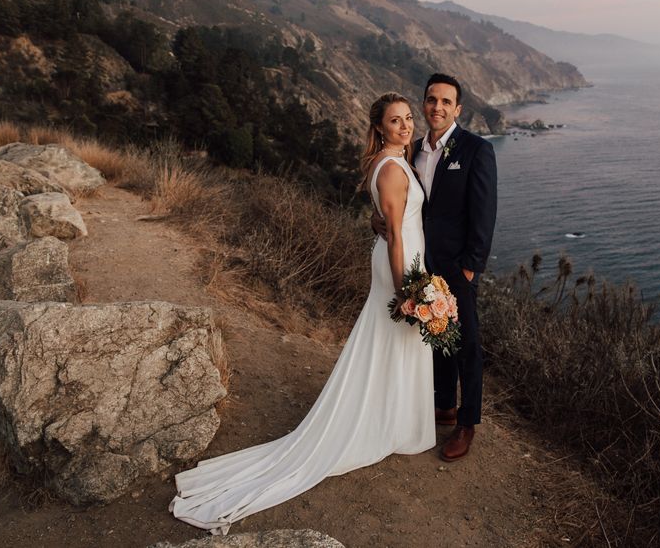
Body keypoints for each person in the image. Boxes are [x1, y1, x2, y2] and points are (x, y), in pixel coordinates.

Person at [169, 92, 434, 535]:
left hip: (404, 259)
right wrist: (408, 288)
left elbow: (382, 222)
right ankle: (387, 425)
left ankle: (395, 423)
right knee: (395, 337)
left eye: (409, 118)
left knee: (395, 344)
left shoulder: (390, 164)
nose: (406, 126)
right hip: (399, 265)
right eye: (396, 121)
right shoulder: (390, 169)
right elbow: (394, 237)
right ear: (380, 128)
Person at [411, 73, 497, 462]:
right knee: (436, 337)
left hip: (458, 266)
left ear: (458, 109)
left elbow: (484, 213)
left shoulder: (476, 150)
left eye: (446, 102)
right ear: (424, 103)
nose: (438, 107)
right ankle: (443, 405)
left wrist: (470, 268)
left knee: (467, 346)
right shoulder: (413, 151)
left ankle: (467, 422)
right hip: (423, 263)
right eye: (432, 100)